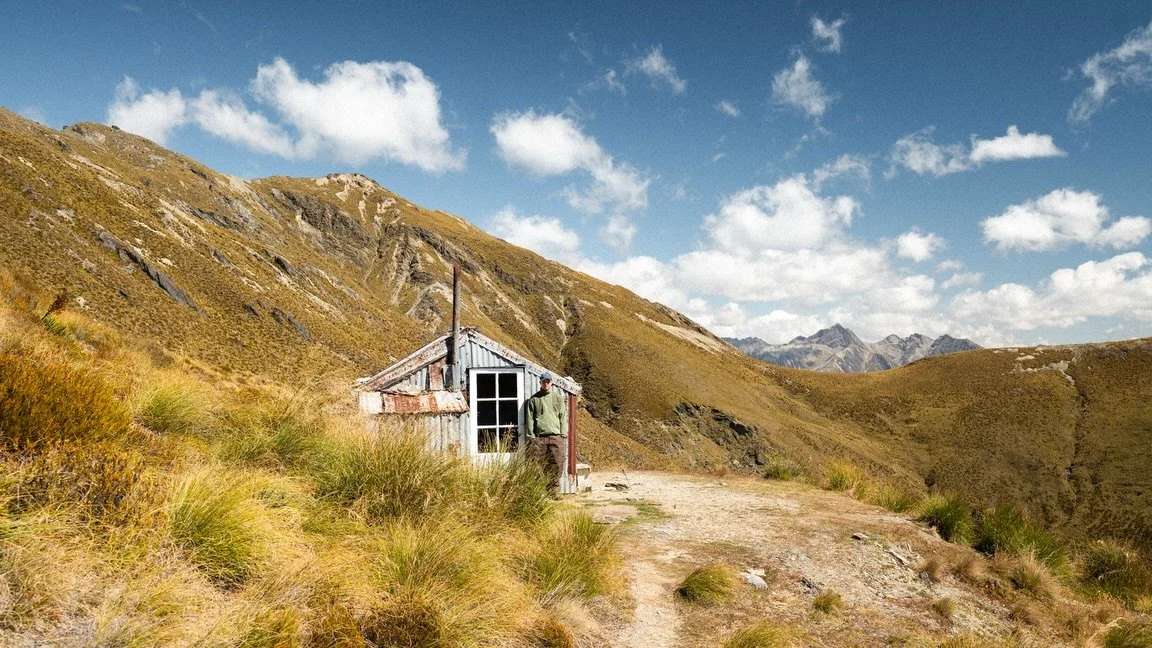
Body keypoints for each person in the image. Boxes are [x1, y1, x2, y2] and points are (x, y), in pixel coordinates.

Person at [525, 372, 567, 493]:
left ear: (551, 382)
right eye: (544, 381)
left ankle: (554, 490)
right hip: (540, 438)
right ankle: (540, 491)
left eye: (548, 381)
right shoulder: (534, 399)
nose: (546, 383)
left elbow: (563, 417)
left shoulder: (558, 398)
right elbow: (530, 418)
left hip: (555, 436)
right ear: (540, 382)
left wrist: (563, 433)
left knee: (557, 463)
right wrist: (531, 436)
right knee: (538, 463)